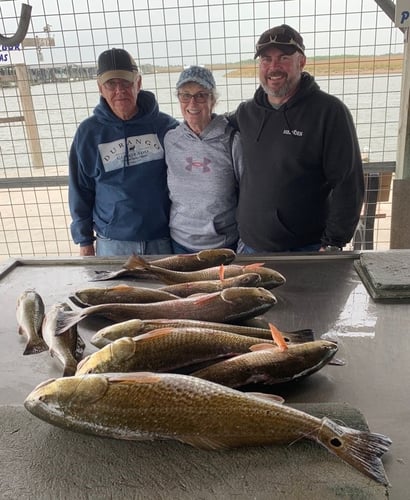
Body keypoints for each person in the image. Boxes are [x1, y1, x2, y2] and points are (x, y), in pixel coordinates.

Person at [228, 24, 364, 253]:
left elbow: (348, 183)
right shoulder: (246, 113)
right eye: (266, 59)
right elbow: (210, 124)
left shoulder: (329, 112)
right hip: (249, 246)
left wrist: (333, 242)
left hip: (306, 248)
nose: (273, 67)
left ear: (301, 61)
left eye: (283, 58)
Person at [68, 48, 179, 256]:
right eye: (111, 84)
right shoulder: (88, 133)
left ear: (138, 83)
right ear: (100, 88)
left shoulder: (166, 127)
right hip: (112, 242)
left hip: (160, 239)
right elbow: (80, 189)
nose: (119, 90)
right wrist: (84, 241)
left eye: (126, 82)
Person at [164, 65, 244, 254]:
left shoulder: (232, 140)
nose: (192, 103)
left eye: (201, 95)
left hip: (223, 246)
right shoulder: (170, 140)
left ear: (213, 99)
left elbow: (248, 193)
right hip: (179, 244)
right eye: (185, 95)